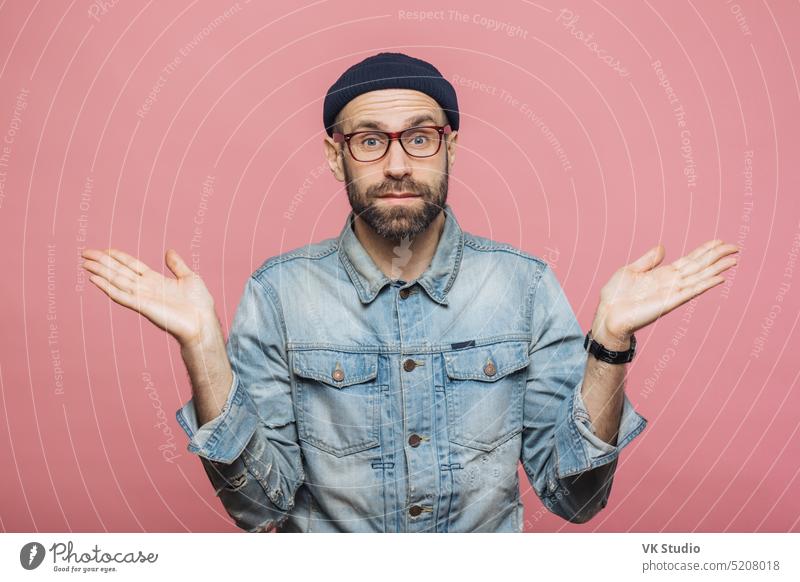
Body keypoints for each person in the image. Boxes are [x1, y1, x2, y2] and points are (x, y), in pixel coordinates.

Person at [80, 51, 739, 532]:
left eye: (419, 138)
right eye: (370, 141)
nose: (397, 163)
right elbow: (261, 505)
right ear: (336, 156)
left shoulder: (525, 287)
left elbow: (576, 499)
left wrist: (611, 346)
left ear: (450, 148)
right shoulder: (278, 295)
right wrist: (203, 350)